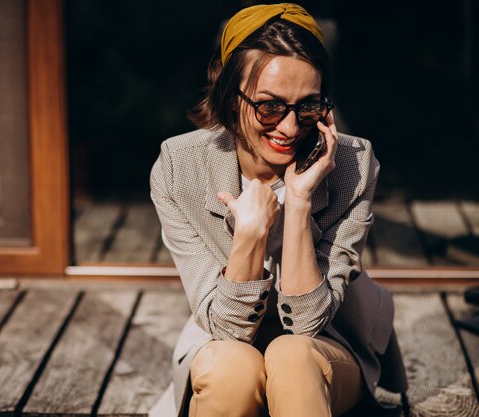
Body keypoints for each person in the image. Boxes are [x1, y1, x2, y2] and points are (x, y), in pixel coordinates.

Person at [149, 4, 407, 417]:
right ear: (230, 96)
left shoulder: (354, 166)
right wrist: (250, 233)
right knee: (231, 367)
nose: (289, 128)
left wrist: (300, 201)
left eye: (308, 107)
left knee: (291, 355)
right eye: (269, 106)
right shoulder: (180, 169)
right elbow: (228, 330)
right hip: (224, 343)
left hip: (328, 345)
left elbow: (308, 324)